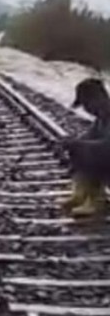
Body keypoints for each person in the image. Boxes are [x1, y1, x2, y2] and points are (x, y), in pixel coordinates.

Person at [61, 78, 110, 217]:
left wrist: (81, 146)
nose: (87, 110)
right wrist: (73, 143)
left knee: (91, 152)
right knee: (80, 149)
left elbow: (107, 146)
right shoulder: (102, 118)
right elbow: (90, 137)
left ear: (98, 99)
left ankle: (97, 200)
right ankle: (81, 193)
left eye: (86, 104)